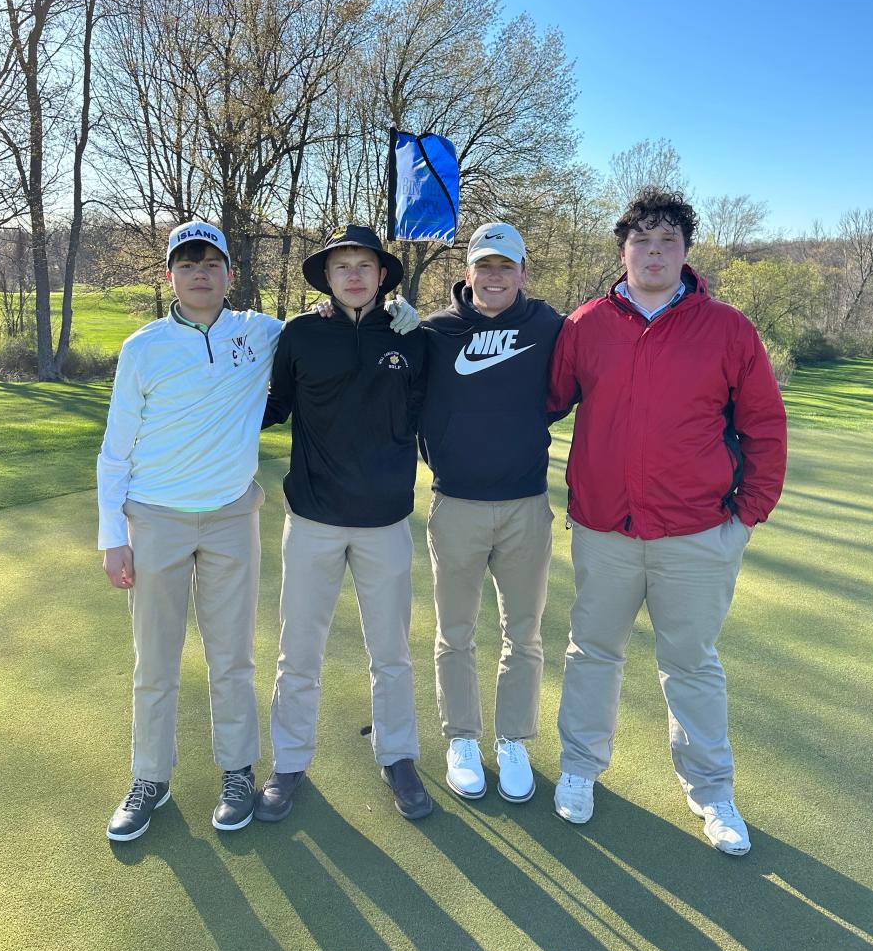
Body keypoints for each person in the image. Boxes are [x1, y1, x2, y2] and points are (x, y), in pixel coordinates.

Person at [98, 220, 417, 843]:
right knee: (155, 661)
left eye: (210, 263)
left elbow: (342, 325)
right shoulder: (144, 347)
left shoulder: (261, 332)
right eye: (187, 264)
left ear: (228, 274)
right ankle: (149, 779)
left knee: (233, 658)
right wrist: (113, 534)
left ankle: (237, 770)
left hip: (231, 515)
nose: (199, 273)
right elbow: (114, 453)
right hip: (155, 516)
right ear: (170, 275)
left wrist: (402, 309)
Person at [547, 188, 787, 853]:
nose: (654, 254)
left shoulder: (728, 328)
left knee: (692, 664)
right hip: (605, 530)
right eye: (642, 243)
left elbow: (764, 425)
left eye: (668, 243)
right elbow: (537, 400)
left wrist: (747, 516)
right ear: (623, 252)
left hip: (697, 534)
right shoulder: (584, 325)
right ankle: (579, 770)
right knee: (593, 653)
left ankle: (713, 792)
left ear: (685, 253)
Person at [256, 225, 432, 823]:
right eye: (341, 267)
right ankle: (288, 762)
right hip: (313, 519)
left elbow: (425, 413)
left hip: (385, 522)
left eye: (365, 265)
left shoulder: (412, 339)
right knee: (297, 652)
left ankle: (399, 756)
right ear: (326, 279)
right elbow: (271, 407)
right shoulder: (301, 335)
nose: (354, 274)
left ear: (383, 276)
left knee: (391, 653)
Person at [418, 223, 565, 803]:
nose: (495, 276)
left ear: (523, 273)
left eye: (506, 266)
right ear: (468, 274)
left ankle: (513, 740)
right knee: (454, 633)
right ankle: (461, 738)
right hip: (455, 505)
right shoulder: (435, 333)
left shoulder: (549, 328)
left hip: (526, 505)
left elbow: (568, 391)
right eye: (485, 266)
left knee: (523, 635)